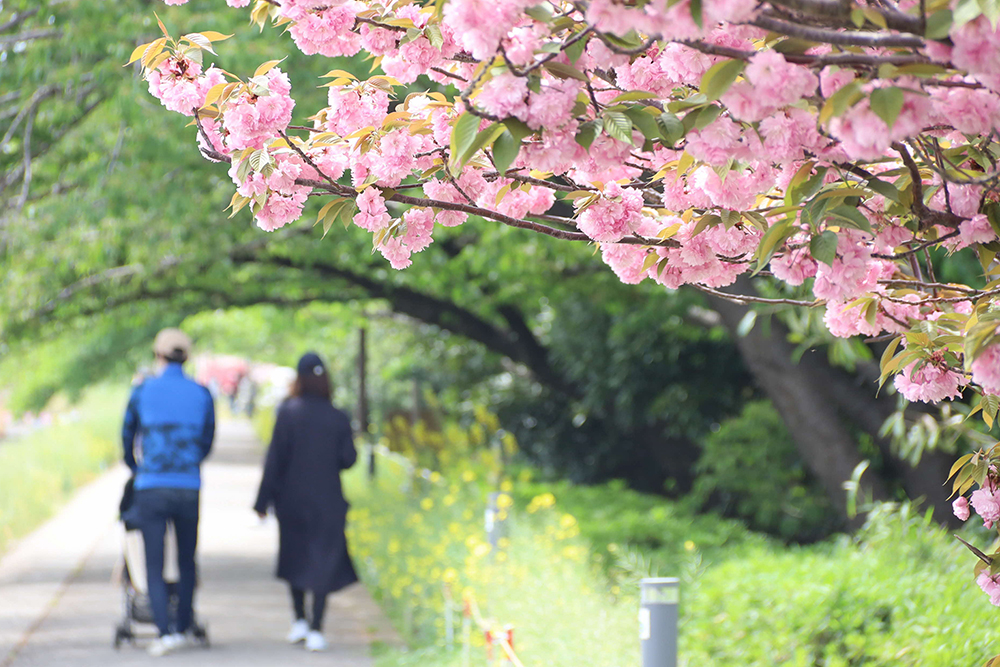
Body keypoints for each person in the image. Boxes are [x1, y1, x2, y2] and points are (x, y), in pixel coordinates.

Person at [254, 352, 358, 652]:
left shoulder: (288, 411)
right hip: (328, 500)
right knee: (323, 561)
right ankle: (316, 627)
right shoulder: (338, 416)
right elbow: (348, 459)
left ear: (298, 379)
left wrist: (262, 501)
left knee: (295, 556)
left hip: (292, 500)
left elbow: (274, 460)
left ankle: (299, 618)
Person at [122, 328, 215, 657]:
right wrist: (190, 464)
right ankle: (184, 625)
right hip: (188, 485)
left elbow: (127, 434)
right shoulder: (202, 393)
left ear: (157, 355)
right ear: (186, 358)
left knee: (154, 561)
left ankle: (164, 631)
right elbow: (207, 440)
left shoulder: (143, 390)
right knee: (187, 559)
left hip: (152, 486)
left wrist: (137, 468)